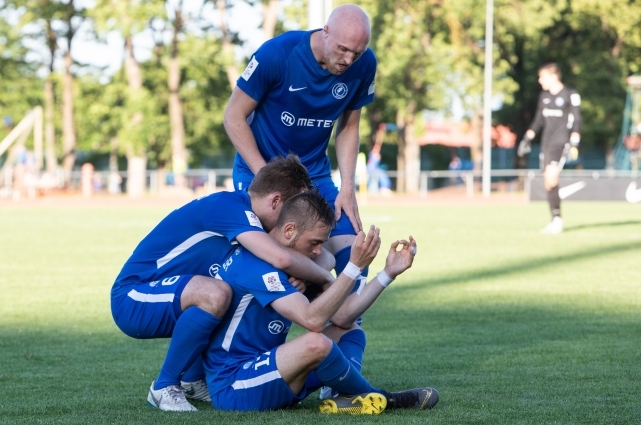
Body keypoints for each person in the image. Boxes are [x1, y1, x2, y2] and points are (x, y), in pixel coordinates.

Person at [110, 155, 335, 412]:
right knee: (215, 293)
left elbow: (323, 256)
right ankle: (164, 387)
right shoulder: (230, 207)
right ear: (275, 201)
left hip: (176, 292)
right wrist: (324, 278)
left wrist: (307, 272)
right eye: (295, 205)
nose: (299, 214)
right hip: (133, 296)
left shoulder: (252, 220)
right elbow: (283, 258)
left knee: (226, 295)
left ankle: (192, 381)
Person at [203, 190, 438, 413]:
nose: (318, 251)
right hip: (234, 385)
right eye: (314, 242)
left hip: (269, 367)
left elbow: (343, 316)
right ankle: (384, 398)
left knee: (349, 332)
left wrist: (387, 273)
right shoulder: (256, 266)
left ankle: (342, 396)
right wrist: (353, 267)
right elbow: (313, 320)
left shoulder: (289, 261)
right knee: (317, 343)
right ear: (289, 230)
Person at [224, 4, 377, 294]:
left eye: (356, 53)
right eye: (343, 49)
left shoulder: (365, 64)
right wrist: (266, 177)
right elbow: (233, 116)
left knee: (354, 257)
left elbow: (349, 127)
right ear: (326, 31)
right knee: (276, 263)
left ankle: (338, 333)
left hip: (314, 177)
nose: (348, 60)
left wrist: (347, 187)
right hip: (259, 172)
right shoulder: (277, 54)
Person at [517, 63, 581, 234]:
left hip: (561, 142)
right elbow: (538, 120)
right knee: (548, 181)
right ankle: (556, 218)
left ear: (553, 76)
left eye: (542, 76)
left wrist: (575, 142)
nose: (540, 80)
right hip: (546, 143)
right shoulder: (544, 96)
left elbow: (577, 120)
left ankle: (557, 221)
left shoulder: (570, 94)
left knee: (552, 176)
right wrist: (527, 138)